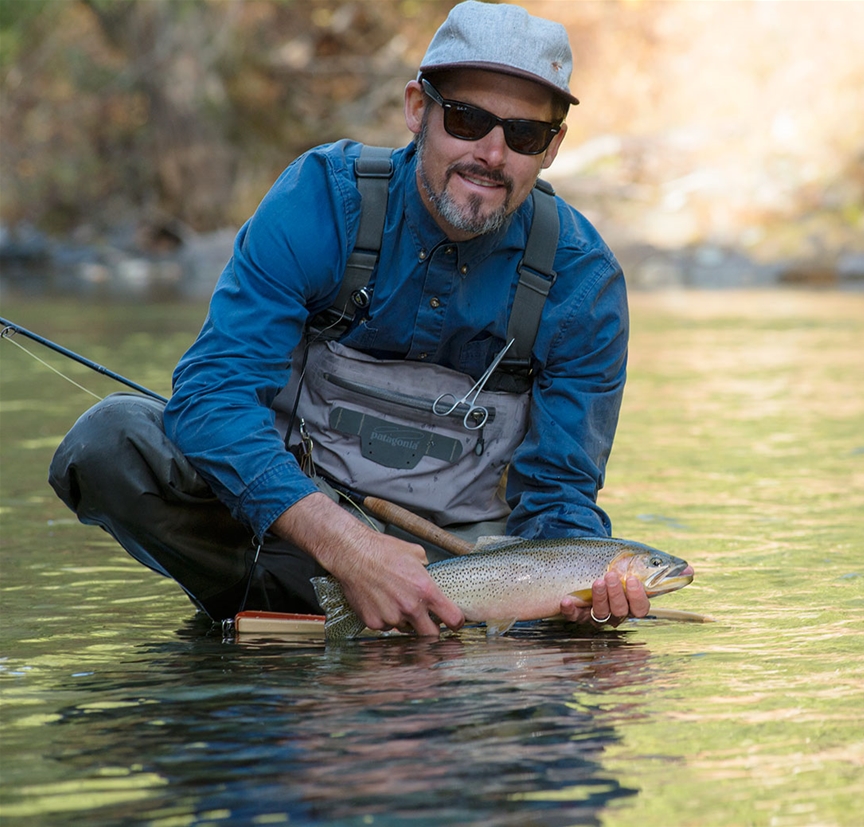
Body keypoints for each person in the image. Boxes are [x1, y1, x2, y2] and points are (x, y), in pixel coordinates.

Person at [49, 1, 654, 636]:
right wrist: (347, 548)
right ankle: (285, 604)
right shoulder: (320, 201)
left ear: (552, 147)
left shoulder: (583, 282)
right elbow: (210, 397)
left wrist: (582, 592)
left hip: (467, 580)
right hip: (290, 538)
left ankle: (422, 637)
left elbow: (559, 496)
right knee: (108, 443)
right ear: (418, 109)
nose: (492, 153)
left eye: (524, 134)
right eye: (467, 119)